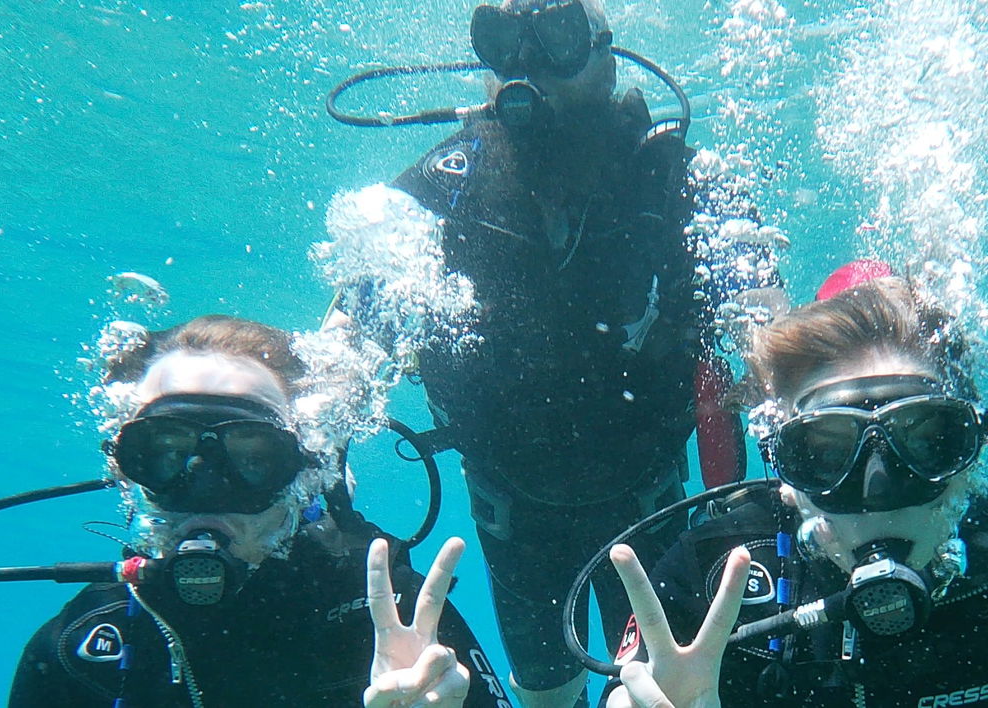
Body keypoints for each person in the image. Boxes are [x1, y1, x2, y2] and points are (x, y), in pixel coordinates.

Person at [330, 1, 784, 705]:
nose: (529, 66)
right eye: (503, 40)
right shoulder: (446, 184)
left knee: (657, 693)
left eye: (559, 36)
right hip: (513, 510)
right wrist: (308, 429)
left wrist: (798, 395)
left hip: (648, 500)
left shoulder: (677, 178)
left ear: (606, 55)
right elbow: (351, 331)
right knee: (546, 698)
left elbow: (766, 319)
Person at [602, 264, 988, 707]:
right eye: (825, 454)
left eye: (928, 441)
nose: (878, 493)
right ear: (785, 473)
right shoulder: (712, 576)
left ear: (974, 453)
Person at [9, 315, 508, 708]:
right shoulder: (81, 650)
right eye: (165, 453)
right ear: (127, 470)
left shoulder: (389, 617)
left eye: (253, 460)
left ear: (303, 473)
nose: (206, 490)